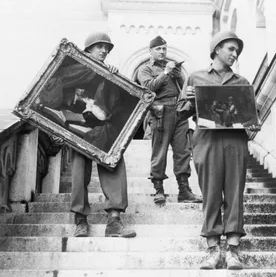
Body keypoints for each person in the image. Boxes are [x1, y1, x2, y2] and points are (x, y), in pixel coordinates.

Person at [38, 32, 137, 238]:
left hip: (103, 129)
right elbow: (52, 98)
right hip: (77, 129)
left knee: (113, 163)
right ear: (88, 49)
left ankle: (114, 220)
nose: (104, 51)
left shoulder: (109, 74)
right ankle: (80, 220)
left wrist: (112, 78)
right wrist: (57, 127)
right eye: (99, 46)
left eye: (106, 48)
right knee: (78, 172)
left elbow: (117, 106)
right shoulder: (70, 72)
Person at [182, 31, 260, 270]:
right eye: (230, 49)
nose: (234, 54)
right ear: (216, 49)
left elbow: (251, 116)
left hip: (235, 141)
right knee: (211, 193)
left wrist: (253, 123)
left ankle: (234, 250)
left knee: (235, 193)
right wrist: (186, 99)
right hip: (206, 141)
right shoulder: (196, 77)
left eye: (236, 51)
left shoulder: (242, 82)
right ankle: (213, 250)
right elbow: (181, 113)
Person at [137, 35, 202, 204]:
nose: (162, 51)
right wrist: (165, 72)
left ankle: (184, 190)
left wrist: (178, 75)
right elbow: (148, 88)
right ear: (150, 51)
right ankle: (159, 190)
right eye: (158, 49)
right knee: (160, 152)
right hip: (160, 112)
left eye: (164, 48)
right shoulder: (145, 69)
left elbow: (183, 89)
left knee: (183, 152)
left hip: (179, 112)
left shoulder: (172, 69)